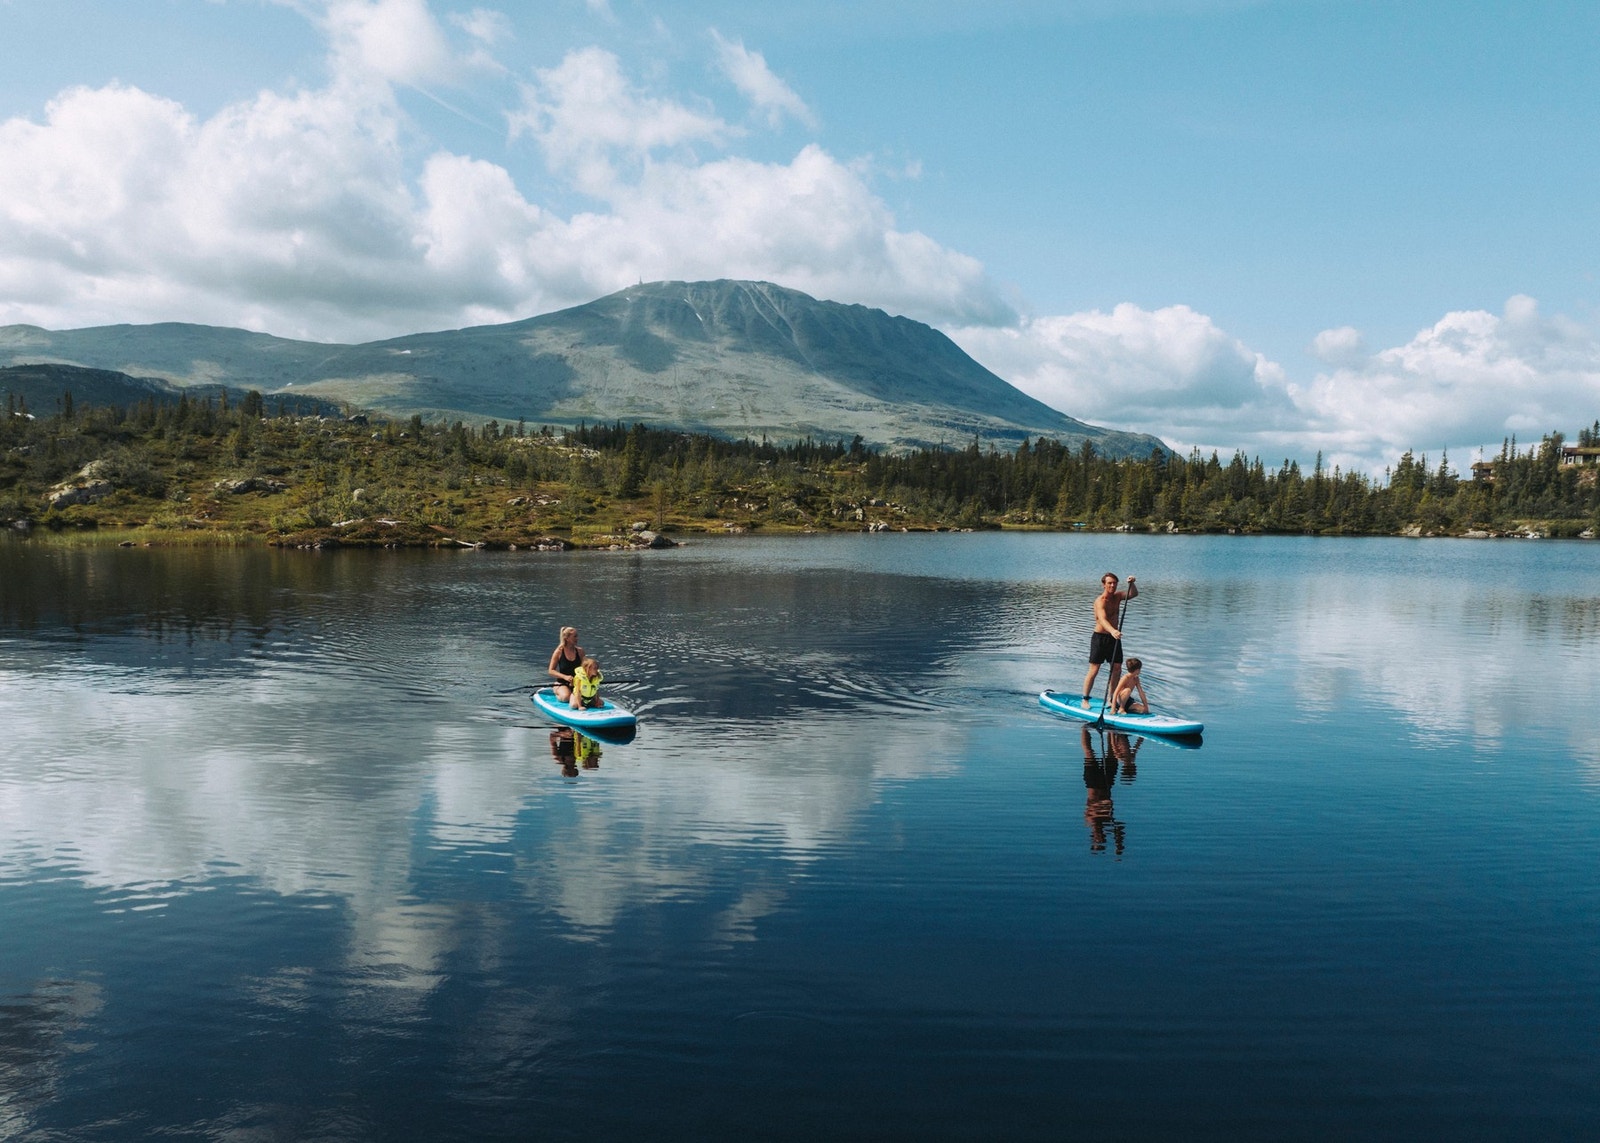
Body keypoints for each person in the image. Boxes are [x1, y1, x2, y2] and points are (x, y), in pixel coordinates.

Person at [1081, 572, 1137, 703]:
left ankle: (1112, 698)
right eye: (1109, 583)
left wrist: (1132, 583)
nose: (1112, 585)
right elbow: (1102, 619)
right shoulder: (1100, 601)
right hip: (1100, 638)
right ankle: (1085, 699)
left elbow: (1132, 594)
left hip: (1114, 638)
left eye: (1114, 583)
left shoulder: (1117, 597)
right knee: (1094, 669)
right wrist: (1113, 630)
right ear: (1104, 585)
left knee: (1117, 668)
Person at [547, 626, 584, 702]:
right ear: (567, 638)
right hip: (562, 682)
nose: (577, 638)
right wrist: (565, 677)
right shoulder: (559, 652)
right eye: (574, 636)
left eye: (577, 636)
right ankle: (556, 690)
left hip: (577, 683)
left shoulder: (580, 651)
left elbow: (586, 667)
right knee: (566, 697)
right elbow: (551, 671)